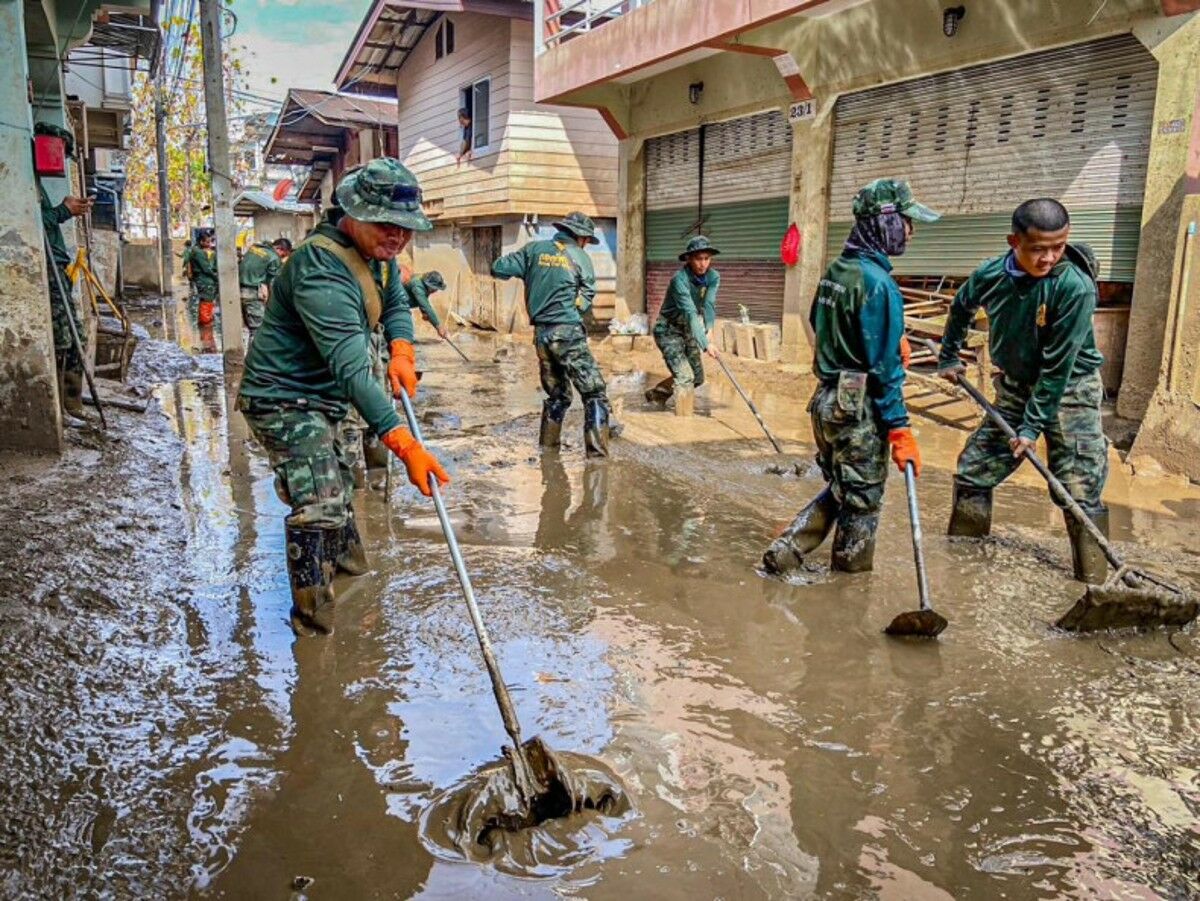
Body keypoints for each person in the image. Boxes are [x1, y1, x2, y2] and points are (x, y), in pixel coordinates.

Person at [237, 158, 449, 635]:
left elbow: (394, 300)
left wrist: (401, 347)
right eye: (386, 225)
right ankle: (315, 631)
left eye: (406, 229)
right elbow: (352, 368)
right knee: (322, 505)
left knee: (345, 490)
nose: (396, 237)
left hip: (328, 398)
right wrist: (404, 443)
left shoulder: (378, 256)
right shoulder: (320, 267)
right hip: (286, 397)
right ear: (353, 213)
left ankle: (354, 579)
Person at [762, 178, 939, 575]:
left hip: (826, 403)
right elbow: (885, 372)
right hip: (857, 408)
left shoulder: (837, 272)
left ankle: (790, 548)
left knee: (845, 487)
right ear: (886, 222)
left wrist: (890, 338)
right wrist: (899, 428)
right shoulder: (878, 284)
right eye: (908, 222)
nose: (910, 232)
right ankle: (848, 587)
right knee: (861, 500)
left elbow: (819, 322)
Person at [937, 198, 1108, 583]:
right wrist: (948, 355)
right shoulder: (991, 274)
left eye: (1058, 247)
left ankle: (1095, 584)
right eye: (1038, 249)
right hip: (1015, 387)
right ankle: (963, 568)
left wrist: (1031, 429)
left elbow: (1057, 368)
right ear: (1013, 241)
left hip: (1071, 390)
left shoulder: (1074, 288)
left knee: (1078, 489)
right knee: (973, 471)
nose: (1049, 258)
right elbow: (961, 306)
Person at [491, 211, 614, 457]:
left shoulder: (532, 250)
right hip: (567, 332)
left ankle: (548, 451)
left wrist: (530, 270)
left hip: (542, 336)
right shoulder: (581, 258)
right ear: (580, 237)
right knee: (594, 393)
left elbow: (498, 268)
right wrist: (572, 310)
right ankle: (598, 460)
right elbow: (586, 298)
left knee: (558, 395)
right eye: (587, 241)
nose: (586, 245)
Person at [34, 122, 93, 424]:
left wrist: (64, 210)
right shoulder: (23, 180)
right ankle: (60, 409)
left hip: (59, 267)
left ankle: (72, 404)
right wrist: (62, 211)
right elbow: (35, 220)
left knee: (76, 337)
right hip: (47, 268)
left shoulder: (37, 184)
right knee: (62, 339)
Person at [645, 235, 721, 416]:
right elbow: (690, 313)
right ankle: (684, 420)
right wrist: (705, 344)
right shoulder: (679, 280)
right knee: (686, 377)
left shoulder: (713, 276)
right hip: (668, 330)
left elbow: (709, 304)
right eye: (698, 259)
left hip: (687, 329)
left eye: (706, 258)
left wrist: (710, 330)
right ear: (689, 259)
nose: (703, 264)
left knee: (697, 377)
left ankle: (657, 394)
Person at [237, 237, 283, 342]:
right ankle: (255, 357)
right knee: (257, 330)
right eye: (283, 255)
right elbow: (272, 282)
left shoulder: (254, 249)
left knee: (250, 326)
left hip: (239, 291)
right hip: (253, 294)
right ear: (279, 249)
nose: (281, 258)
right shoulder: (273, 257)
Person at [405, 269, 449, 338]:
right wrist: (439, 327)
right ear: (429, 285)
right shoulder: (417, 286)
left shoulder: (423, 284)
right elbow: (425, 306)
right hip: (395, 304)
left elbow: (421, 302)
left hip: (403, 304)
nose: (436, 291)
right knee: (406, 330)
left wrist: (423, 312)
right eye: (435, 288)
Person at [190, 229, 219, 327]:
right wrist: (216, 278)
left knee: (207, 301)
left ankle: (206, 321)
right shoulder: (199, 253)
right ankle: (206, 323)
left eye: (211, 241)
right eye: (207, 242)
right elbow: (206, 269)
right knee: (206, 301)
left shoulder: (198, 251)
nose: (210, 244)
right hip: (204, 280)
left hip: (204, 280)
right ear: (201, 241)